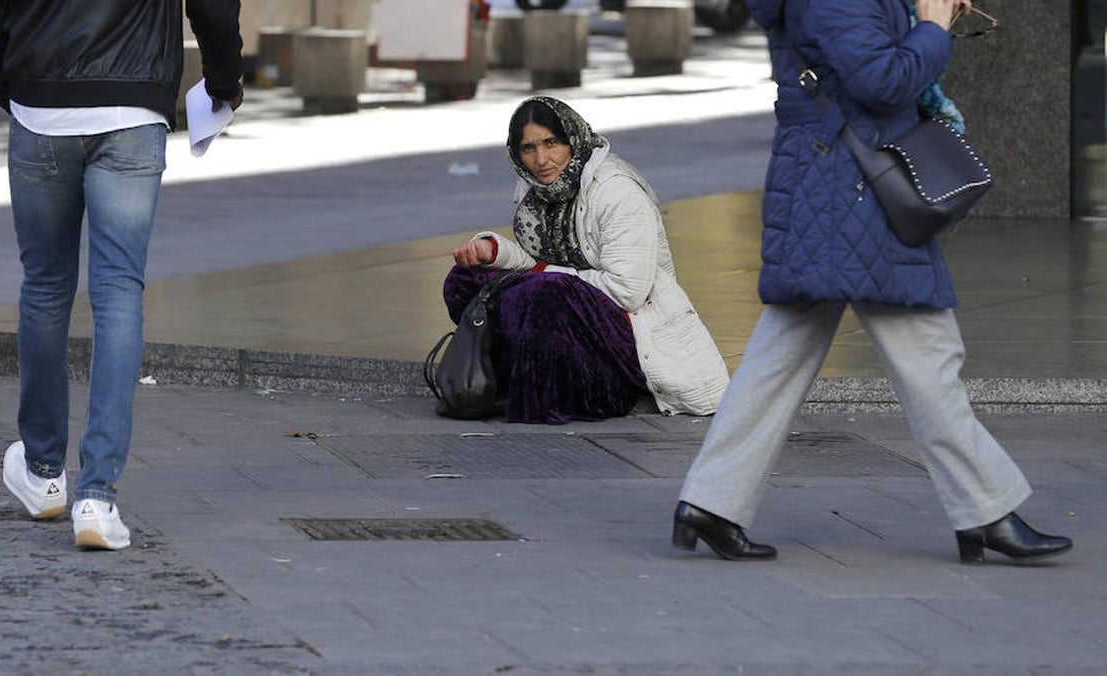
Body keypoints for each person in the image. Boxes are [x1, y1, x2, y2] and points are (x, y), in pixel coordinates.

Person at [673, 0, 1074, 564]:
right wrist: (931, 28)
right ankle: (987, 513)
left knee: (781, 354)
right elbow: (882, 83)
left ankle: (711, 502)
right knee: (928, 351)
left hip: (833, 186)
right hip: (852, 193)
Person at [0, 0, 244, 550]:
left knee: (45, 287)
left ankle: (43, 472)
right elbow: (212, 5)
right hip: (132, 110)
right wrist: (223, 81)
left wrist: (15, 83)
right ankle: (97, 496)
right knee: (118, 290)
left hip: (41, 109)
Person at [445, 95, 729, 424]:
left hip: (633, 328)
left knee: (545, 292)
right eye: (529, 148)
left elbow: (628, 291)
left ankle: (596, 390)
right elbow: (538, 264)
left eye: (551, 143)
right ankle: (508, 377)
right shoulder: (536, 192)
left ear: (572, 139)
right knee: (466, 280)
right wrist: (495, 252)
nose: (541, 159)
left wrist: (548, 276)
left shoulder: (617, 192)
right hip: (565, 299)